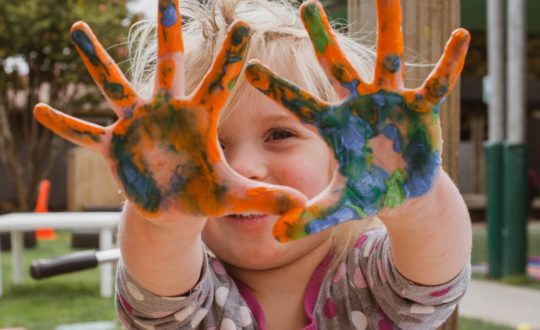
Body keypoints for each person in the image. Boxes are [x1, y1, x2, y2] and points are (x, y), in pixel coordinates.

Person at [34, 0, 472, 328]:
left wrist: (416, 199)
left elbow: (434, 274)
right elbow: (158, 275)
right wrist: (165, 221)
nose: (243, 167)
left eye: (280, 135)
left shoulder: (369, 274)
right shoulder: (191, 297)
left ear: (344, 153)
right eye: (207, 149)